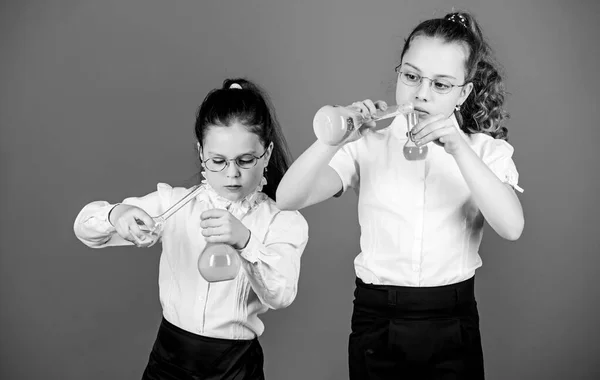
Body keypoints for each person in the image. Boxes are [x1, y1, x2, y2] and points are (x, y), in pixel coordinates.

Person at [276, 11, 524, 379]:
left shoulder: (483, 152)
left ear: (464, 92)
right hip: (378, 320)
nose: (420, 94)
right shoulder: (369, 142)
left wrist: (458, 148)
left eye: (441, 85)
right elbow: (287, 198)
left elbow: (512, 226)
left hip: (452, 320)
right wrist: (332, 140)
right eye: (411, 76)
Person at [74, 78, 308, 379]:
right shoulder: (175, 204)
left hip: (234, 367)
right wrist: (119, 214)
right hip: (169, 360)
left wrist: (245, 241)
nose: (232, 174)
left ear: (266, 153)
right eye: (218, 161)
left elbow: (281, 295)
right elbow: (84, 227)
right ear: (201, 153)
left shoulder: (282, 219)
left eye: (246, 160)